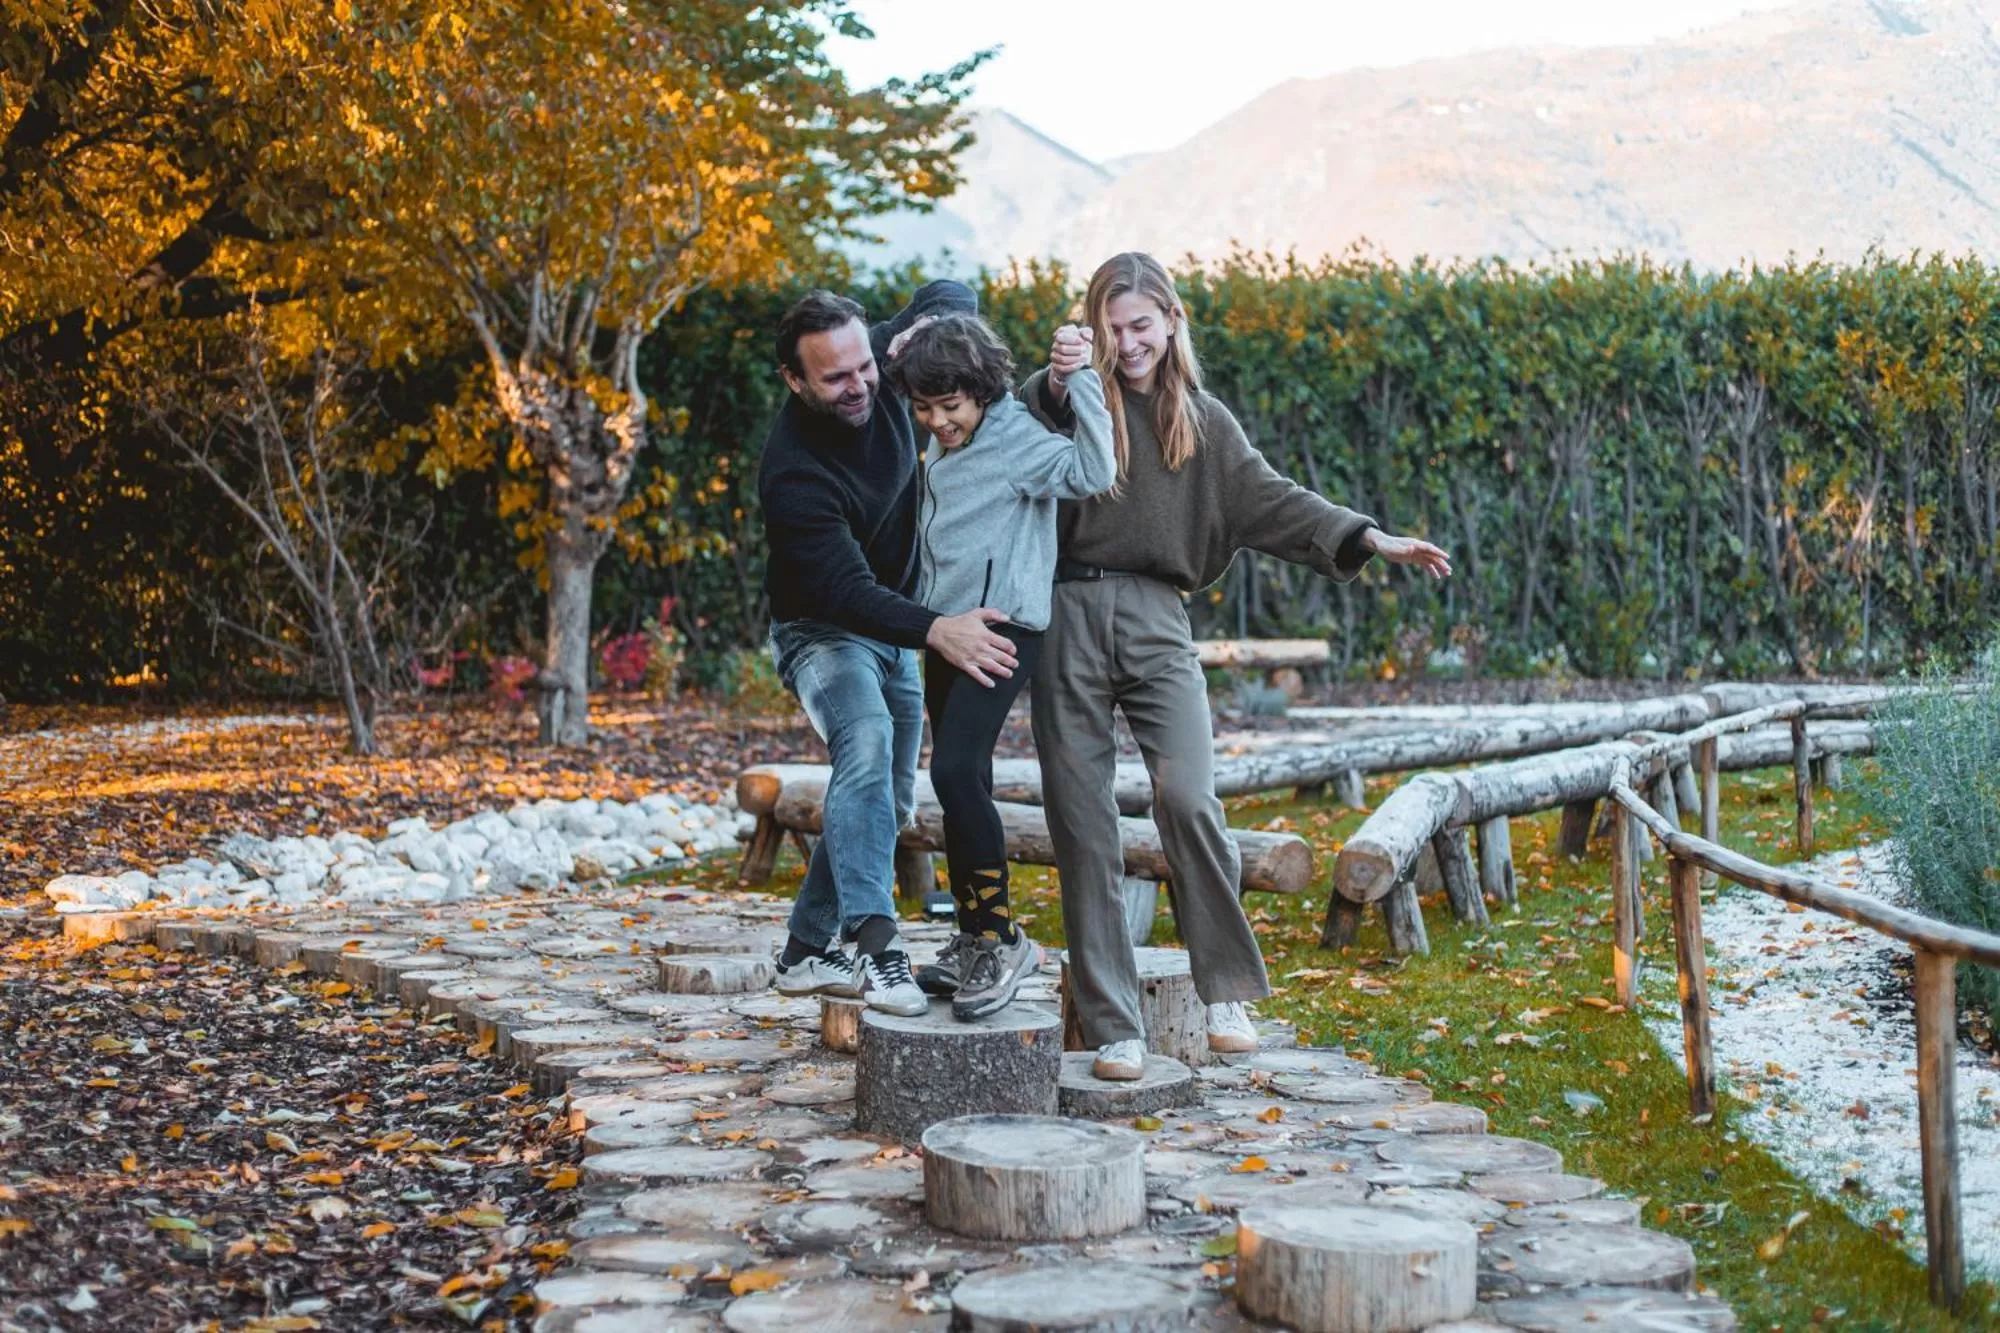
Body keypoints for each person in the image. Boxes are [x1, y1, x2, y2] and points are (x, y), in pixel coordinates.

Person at [1025, 252, 1452, 1080]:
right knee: (1082, 820)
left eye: (1140, 325)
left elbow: (1274, 500)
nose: (1128, 343)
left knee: (1188, 797)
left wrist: (1370, 536)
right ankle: (1114, 1025)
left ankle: (1223, 988)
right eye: (1112, 329)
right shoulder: (1074, 399)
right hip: (1066, 613)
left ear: (1172, 320)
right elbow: (1020, 421)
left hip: (1157, 618)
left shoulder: (1202, 421)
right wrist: (1056, 379)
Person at [757, 284, 1023, 1016]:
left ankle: (806, 950)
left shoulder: (872, 351)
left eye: (864, 366)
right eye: (836, 377)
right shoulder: (793, 471)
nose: (860, 384)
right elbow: (844, 591)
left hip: (894, 626)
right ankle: (875, 946)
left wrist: (932, 323)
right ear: (796, 379)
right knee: (866, 744)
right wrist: (938, 627)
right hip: (824, 630)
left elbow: (949, 290)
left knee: (890, 795)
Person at [880, 314, 1117, 1020]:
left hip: (1002, 627)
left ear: (982, 391)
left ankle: (999, 937)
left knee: (952, 771)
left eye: (949, 407)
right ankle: (975, 935)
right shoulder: (950, 437)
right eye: (923, 409)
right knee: (963, 783)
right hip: (948, 631)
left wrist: (1085, 388)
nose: (936, 422)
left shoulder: (1016, 438)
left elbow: (1093, 471)